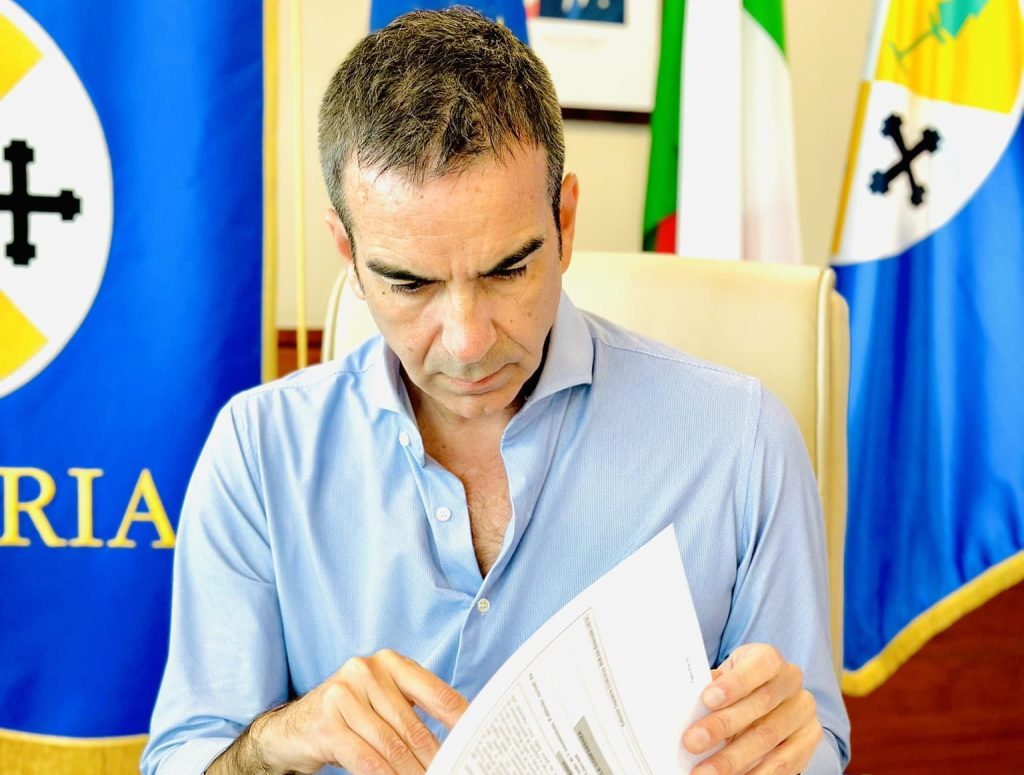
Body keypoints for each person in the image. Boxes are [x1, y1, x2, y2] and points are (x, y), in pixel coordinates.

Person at [141, 8, 849, 774]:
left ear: (565, 222)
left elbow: (812, 745)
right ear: (347, 254)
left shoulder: (741, 441)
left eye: (508, 269)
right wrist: (279, 737)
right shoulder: (258, 450)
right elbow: (187, 758)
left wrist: (785, 747)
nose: (467, 340)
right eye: (409, 283)